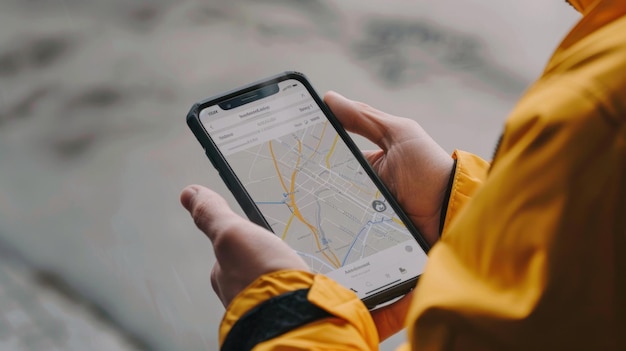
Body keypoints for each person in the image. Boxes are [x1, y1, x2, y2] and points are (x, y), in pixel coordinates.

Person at [180, 0, 626, 349]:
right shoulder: (610, 43)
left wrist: (281, 318)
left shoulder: (609, 88)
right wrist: (457, 206)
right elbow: (587, 285)